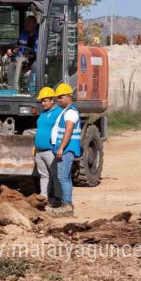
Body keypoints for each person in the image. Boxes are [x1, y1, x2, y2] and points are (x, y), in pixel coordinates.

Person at [50, 82, 82, 216]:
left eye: (61, 97)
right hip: (65, 148)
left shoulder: (70, 113)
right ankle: (66, 203)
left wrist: (61, 148)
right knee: (64, 177)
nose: (58, 100)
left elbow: (68, 132)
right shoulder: (66, 111)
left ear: (69, 96)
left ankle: (67, 205)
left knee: (63, 177)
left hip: (67, 149)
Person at [33, 87, 61, 208]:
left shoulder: (59, 112)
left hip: (50, 150)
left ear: (51, 100)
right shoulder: (43, 113)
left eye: (45, 100)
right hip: (39, 151)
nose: (43, 103)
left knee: (55, 174)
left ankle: (58, 198)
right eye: (42, 101)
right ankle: (43, 197)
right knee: (44, 175)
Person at [6, 15, 39, 92]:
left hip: (35, 60)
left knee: (36, 66)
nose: (27, 24)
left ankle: (30, 88)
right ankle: (11, 88)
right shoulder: (23, 34)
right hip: (23, 59)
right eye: (26, 22)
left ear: (35, 24)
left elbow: (39, 52)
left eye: (29, 22)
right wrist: (12, 51)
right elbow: (17, 47)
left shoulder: (40, 35)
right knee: (11, 65)